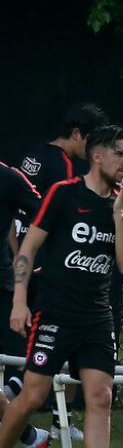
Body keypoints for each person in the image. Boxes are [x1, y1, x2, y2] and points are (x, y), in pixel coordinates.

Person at [0, 126, 123, 448]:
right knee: (32, 395)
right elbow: (28, 248)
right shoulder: (63, 193)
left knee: (100, 395)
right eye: (120, 153)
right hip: (55, 312)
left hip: (97, 316)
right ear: (97, 155)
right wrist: (19, 301)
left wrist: (118, 214)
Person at [4, 102, 110, 439]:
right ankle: (54, 420)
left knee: (36, 352)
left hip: (22, 267)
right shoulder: (65, 171)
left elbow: (14, 216)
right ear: (78, 134)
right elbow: (62, 220)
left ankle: (28, 402)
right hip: (47, 272)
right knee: (57, 346)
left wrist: (16, 256)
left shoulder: (31, 157)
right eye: (92, 142)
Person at [0, 160, 41, 434]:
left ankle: (29, 436)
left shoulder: (8, 177)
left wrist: (28, 257)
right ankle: (30, 437)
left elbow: (46, 214)